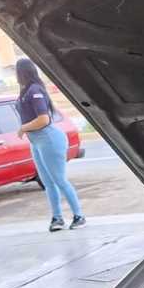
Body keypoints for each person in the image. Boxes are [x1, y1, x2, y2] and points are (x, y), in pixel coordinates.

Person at [14, 58, 86, 232]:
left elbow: (44, 119)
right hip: (36, 142)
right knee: (48, 183)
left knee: (59, 180)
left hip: (48, 139)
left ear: (21, 72)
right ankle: (57, 218)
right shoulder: (25, 91)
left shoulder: (35, 90)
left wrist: (24, 128)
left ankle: (79, 215)